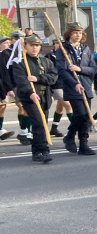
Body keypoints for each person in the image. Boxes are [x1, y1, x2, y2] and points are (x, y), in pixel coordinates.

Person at [51, 22, 96, 156]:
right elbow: (62, 71)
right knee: (80, 114)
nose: (78, 35)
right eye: (75, 32)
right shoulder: (63, 50)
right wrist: (74, 83)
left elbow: (93, 68)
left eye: (80, 32)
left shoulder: (86, 49)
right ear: (69, 34)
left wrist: (80, 69)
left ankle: (83, 144)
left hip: (86, 86)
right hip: (72, 88)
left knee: (86, 117)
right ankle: (70, 136)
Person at [12, 33, 57, 162]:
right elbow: (21, 80)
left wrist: (38, 78)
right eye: (32, 45)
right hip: (30, 97)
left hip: (44, 96)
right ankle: (40, 151)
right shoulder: (20, 62)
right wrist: (30, 92)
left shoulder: (46, 61)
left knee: (43, 123)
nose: (35, 48)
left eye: (37, 45)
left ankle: (40, 148)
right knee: (38, 123)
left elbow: (53, 76)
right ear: (25, 46)